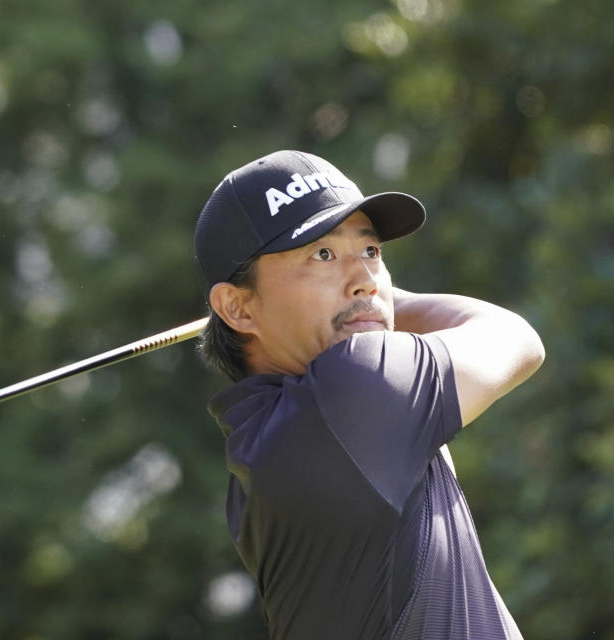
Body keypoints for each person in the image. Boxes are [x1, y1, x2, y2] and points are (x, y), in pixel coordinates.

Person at [193, 150, 544, 639]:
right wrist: (385, 303)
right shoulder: (356, 388)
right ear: (237, 308)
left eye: (372, 252)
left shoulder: (257, 448)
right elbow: (516, 337)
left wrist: (362, 301)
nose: (365, 280)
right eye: (322, 254)